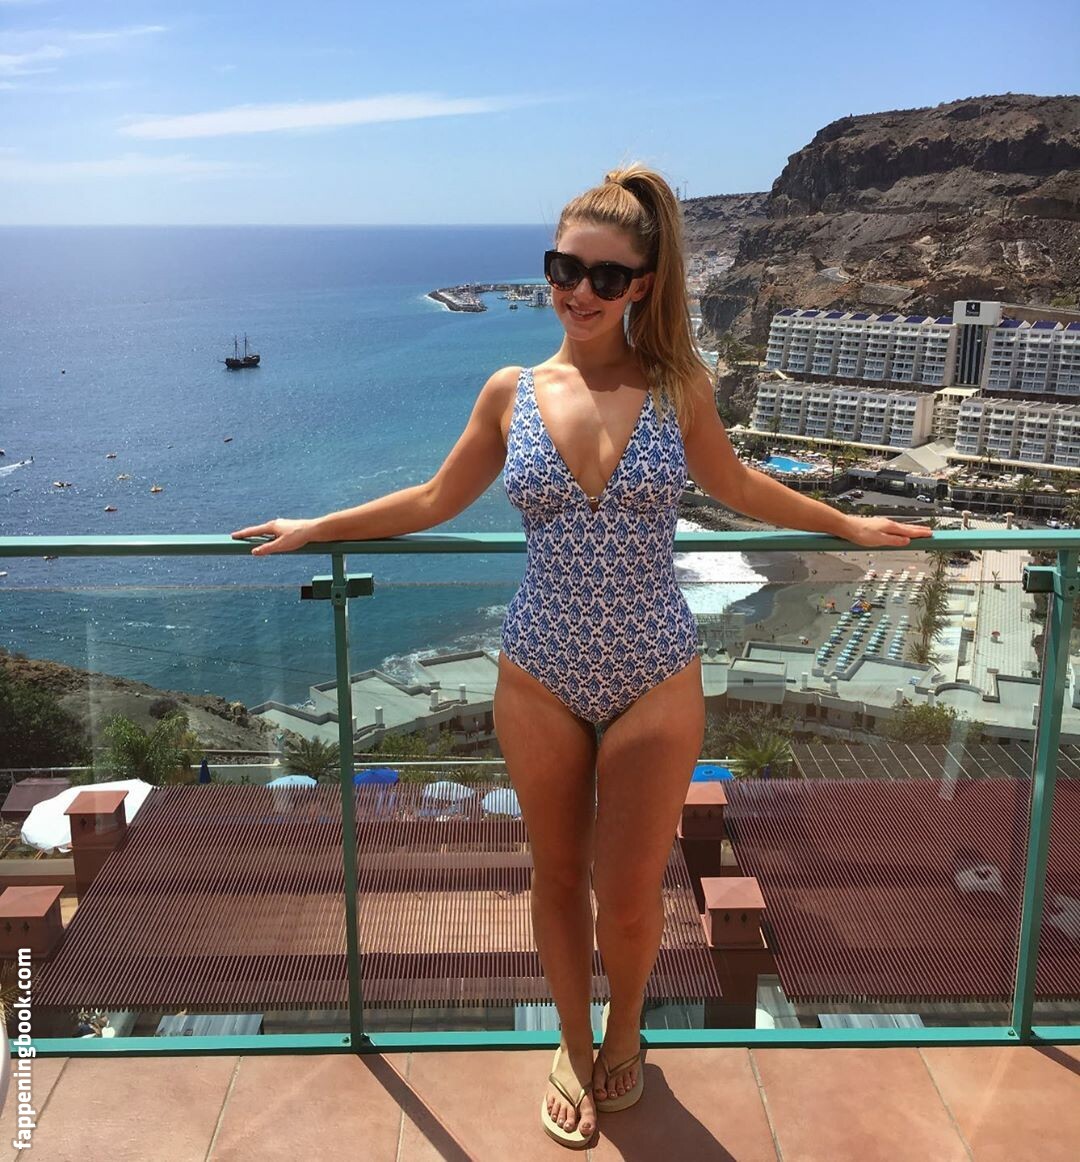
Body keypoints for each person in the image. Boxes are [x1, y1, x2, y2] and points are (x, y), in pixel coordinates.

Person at [231, 162, 930, 1149]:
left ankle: (625, 1028)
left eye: (606, 276)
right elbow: (433, 499)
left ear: (643, 283)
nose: (580, 291)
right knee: (555, 878)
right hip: (539, 670)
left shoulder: (678, 388)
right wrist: (319, 525)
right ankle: (570, 1041)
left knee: (633, 893)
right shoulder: (510, 391)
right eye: (565, 268)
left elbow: (738, 486)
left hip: (655, 669)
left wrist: (846, 526)